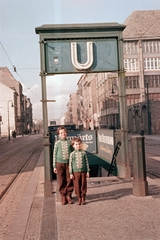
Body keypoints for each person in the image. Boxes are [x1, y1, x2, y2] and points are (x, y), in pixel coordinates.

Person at [53, 126, 73, 205]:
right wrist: (54, 166)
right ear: (58, 134)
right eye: (61, 133)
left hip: (68, 163)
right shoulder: (57, 143)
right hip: (59, 163)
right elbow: (54, 154)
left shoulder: (69, 142)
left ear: (66, 133)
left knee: (69, 179)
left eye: (64, 132)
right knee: (61, 179)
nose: (63, 134)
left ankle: (69, 195)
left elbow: (72, 153)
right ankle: (63, 195)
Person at [69, 137, 90, 205]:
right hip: (75, 172)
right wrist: (71, 173)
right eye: (76, 144)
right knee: (77, 185)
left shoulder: (83, 153)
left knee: (83, 184)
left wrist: (87, 171)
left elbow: (86, 162)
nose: (78, 146)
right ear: (73, 146)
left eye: (79, 144)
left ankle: (83, 197)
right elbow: (70, 164)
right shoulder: (72, 154)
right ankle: (79, 198)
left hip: (83, 172)